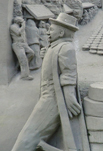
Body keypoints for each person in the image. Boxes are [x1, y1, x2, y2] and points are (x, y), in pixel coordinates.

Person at [13, 13, 82, 151]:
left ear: (61, 32)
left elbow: (69, 72)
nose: (48, 31)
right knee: (30, 138)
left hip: (52, 100)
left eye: (52, 28)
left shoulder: (66, 48)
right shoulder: (54, 47)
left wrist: (69, 95)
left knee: (26, 140)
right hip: (47, 98)